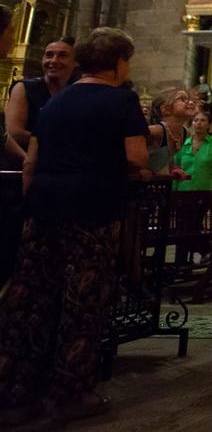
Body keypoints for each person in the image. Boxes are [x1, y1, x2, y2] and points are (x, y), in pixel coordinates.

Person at [0, 27, 151, 424]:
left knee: (31, 301)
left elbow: (31, 158)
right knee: (81, 301)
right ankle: (69, 394)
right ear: (118, 63)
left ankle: (16, 394)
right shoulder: (121, 99)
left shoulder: (55, 102)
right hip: (91, 209)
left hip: (43, 207)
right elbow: (135, 156)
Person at [4, 36, 77, 164]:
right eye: (49, 55)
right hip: (23, 160)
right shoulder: (24, 88)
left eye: (63, 56)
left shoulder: (76, 92)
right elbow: (15, 132)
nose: (54, 60)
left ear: (75, 62)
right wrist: (62, 143)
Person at [172, 110, 212, 191]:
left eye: (203, 120)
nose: (198, 123)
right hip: (184, 190)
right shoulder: (183, 143)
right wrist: (173, 189)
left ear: (209, 125)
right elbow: (176, 168)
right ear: (192, 124)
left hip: (207, 190)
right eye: (195, 120)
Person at [146, 89, 193, 181]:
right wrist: (139, 168)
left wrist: (174, 168)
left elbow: (167, 156)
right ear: (166, 110)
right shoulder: (156, 131)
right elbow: (129, 144)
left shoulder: (184, 133)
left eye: (189, 99)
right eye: (182, 99)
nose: (190, 102)